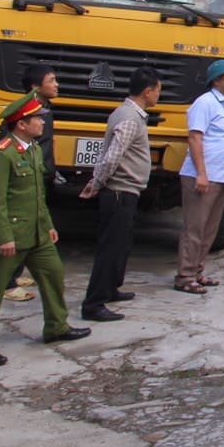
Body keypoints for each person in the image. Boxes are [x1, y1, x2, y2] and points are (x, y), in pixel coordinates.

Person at [0, 93, 91, 366]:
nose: (42, 123)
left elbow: (37, 195)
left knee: (53, 274)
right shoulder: (1, 155)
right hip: (10, 237)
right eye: (37, 119)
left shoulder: (33, 149)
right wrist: (3, 237)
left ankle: (56, 326)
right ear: (21, 124)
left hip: (36, 234)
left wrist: (47, 226)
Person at [79, 66, 161, 320]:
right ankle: (94, 304)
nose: (158, 96)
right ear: (147, 92)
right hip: (119, 191)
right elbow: (112, 156)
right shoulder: (129, 118)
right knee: (111, 248)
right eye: (157, 91)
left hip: (126, 191)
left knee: (121, 245)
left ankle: (111, 288)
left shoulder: (127, 113)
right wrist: (96, 183)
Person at [173, 58, 224, 294]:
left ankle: (198, 271)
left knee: (210, 229)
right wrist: (201, 173)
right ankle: (185, 276)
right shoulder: (204, 103)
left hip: (223, 175)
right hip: (203, 176)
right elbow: (195, 138)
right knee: (195, 228)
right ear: (216, 80)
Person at [2, 63, 60, 303]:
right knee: (19, 231)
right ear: (36, 87)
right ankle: (6, 283)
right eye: (51, 80)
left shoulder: (44, 109)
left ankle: (15, 275)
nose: (56, 85)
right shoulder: (25, 112)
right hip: (25, 179)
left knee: (32, 232)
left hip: (39, 175)